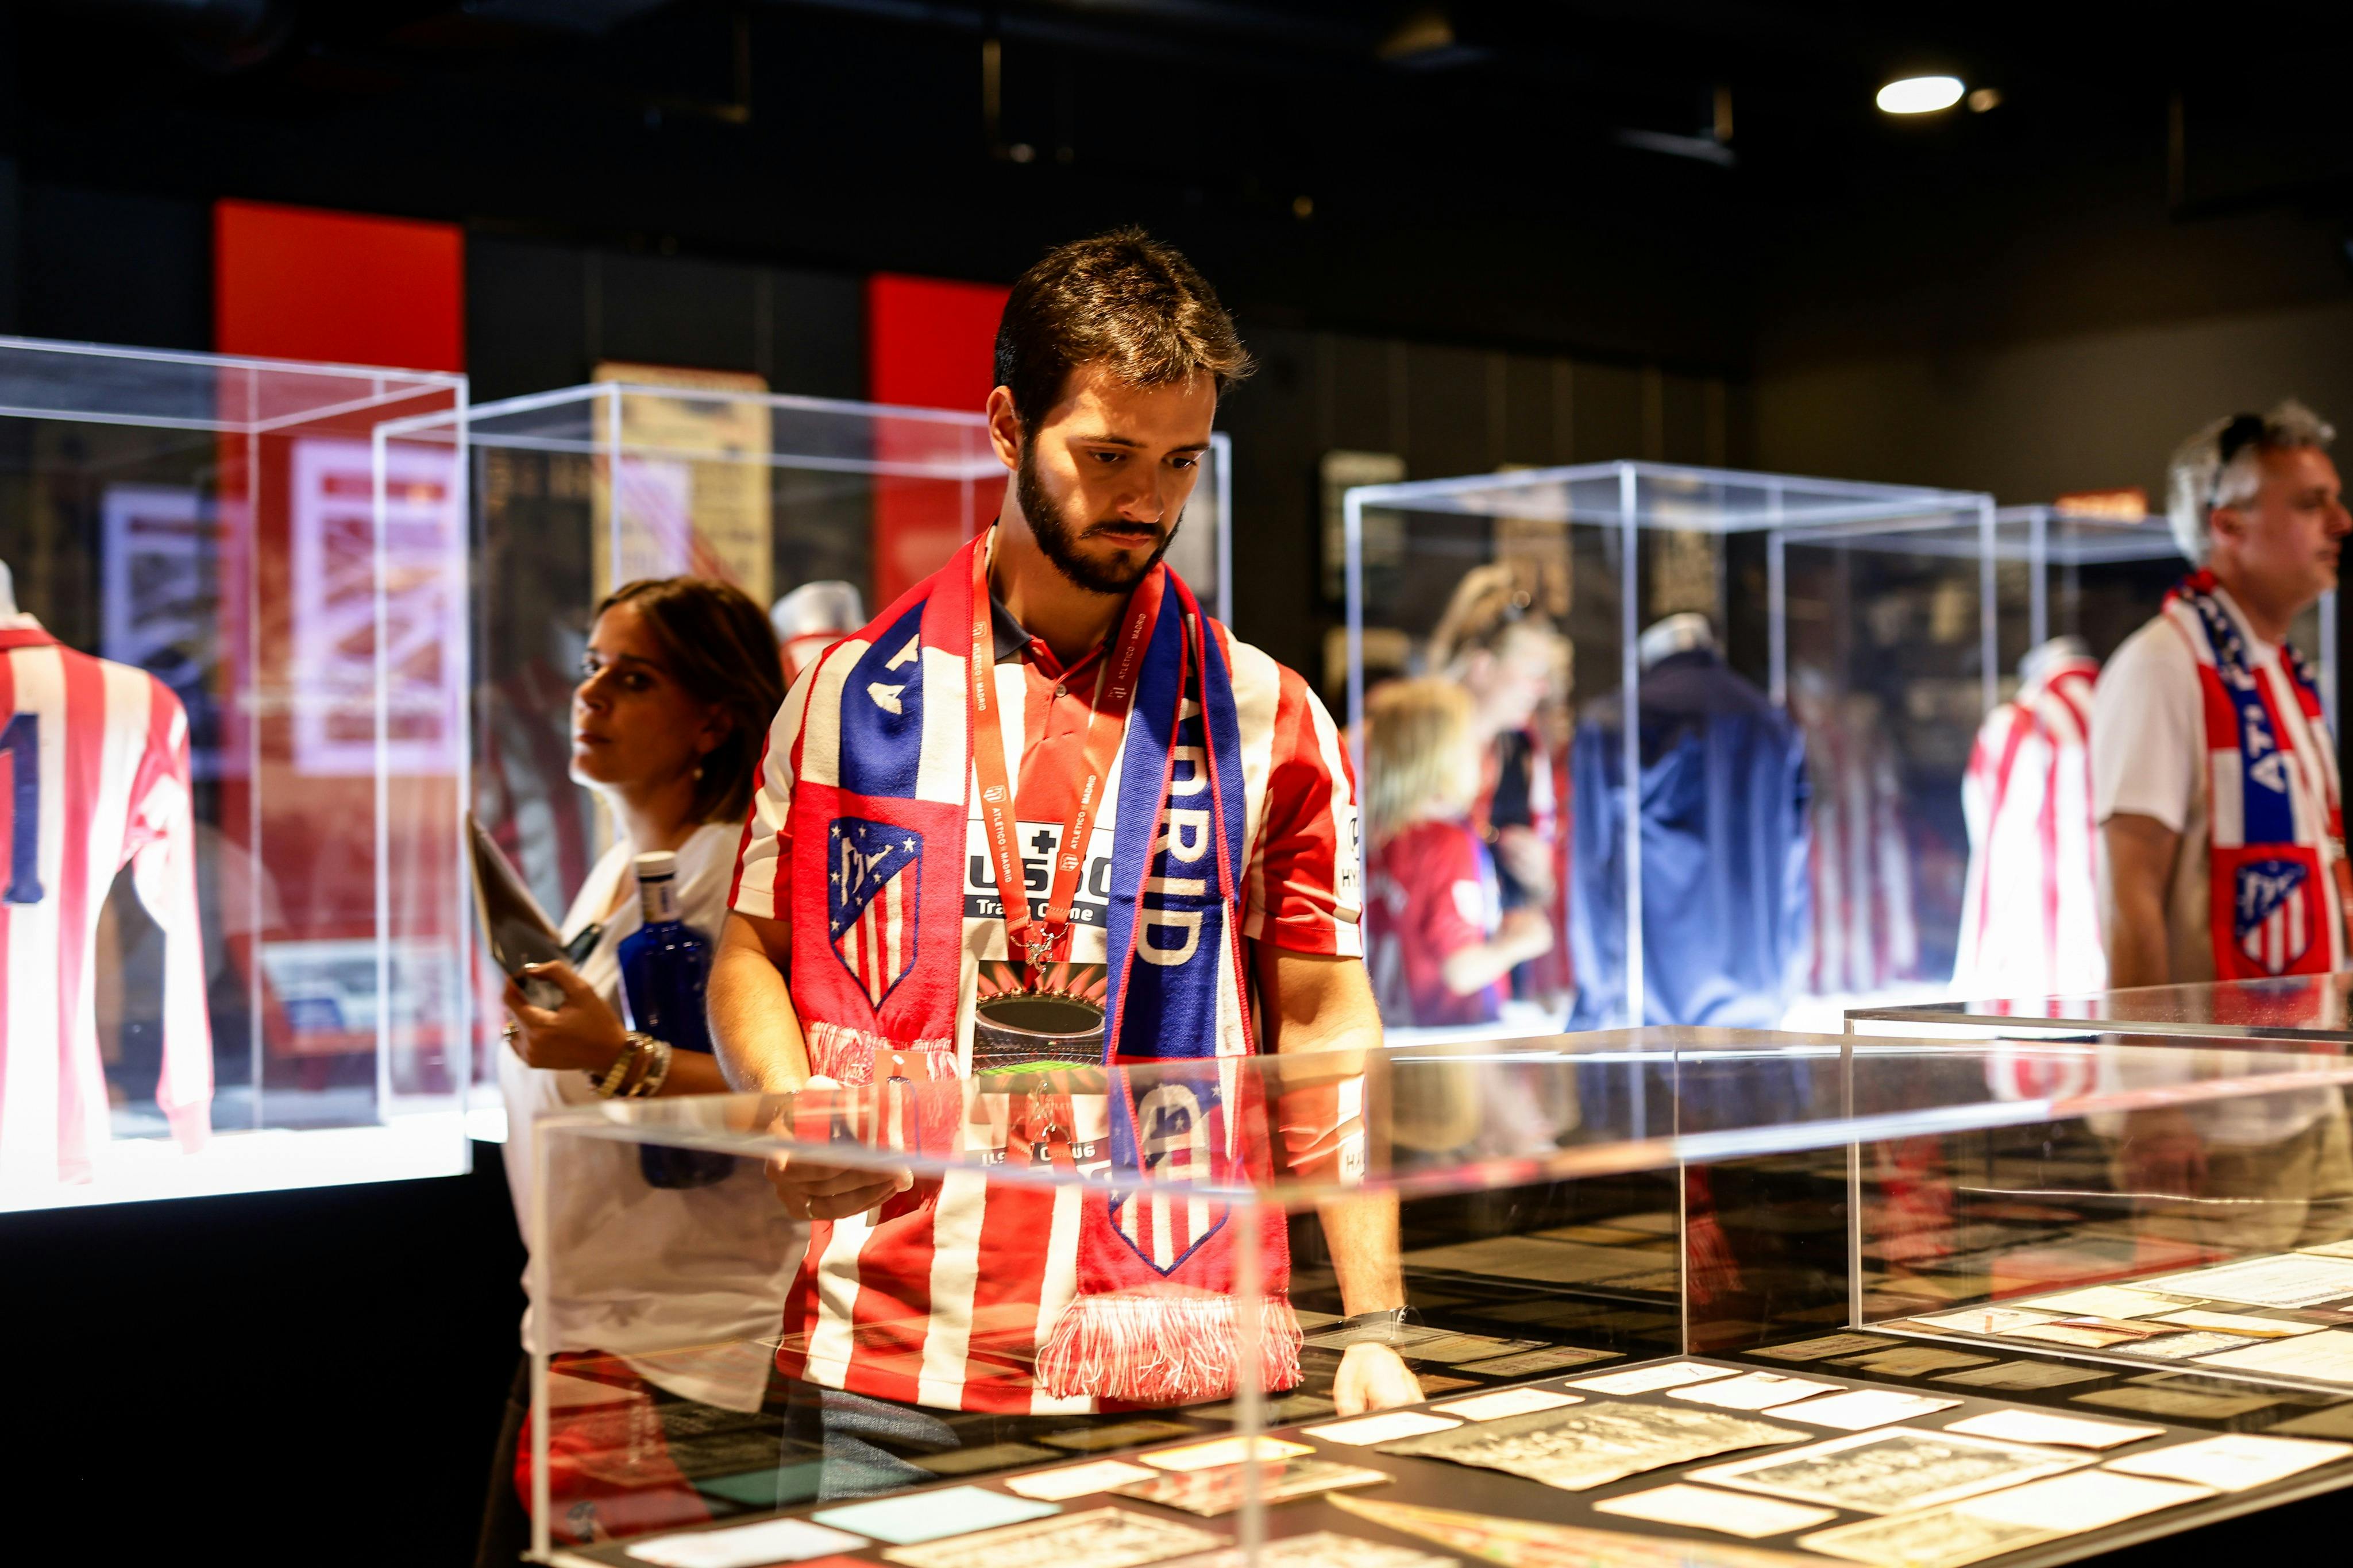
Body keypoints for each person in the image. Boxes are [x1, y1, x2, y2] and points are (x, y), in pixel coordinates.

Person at [712, 230, 1421, 1487]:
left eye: (1178, 463)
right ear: (1002, 426)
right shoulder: (841, 697)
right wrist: (785, 1103)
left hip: (1174, 1348)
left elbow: (1322, 1018)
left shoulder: (1272, 715)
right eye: (1105, 456)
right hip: (894, 1346)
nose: (1145, 499)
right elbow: (752, 955)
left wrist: (1371, 1321)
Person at [477, 578, 802, 1561]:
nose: (592, 695)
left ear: (715, 721)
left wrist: (617, 1057)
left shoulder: (721, 879)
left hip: (683, 1349)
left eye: (633, 677)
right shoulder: (624, 867)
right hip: (587, 1322)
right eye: (590, 669)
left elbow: (784, 1103)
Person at [2092, 401, 2353, 1251]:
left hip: (2310, 1096)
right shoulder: (2163, 668)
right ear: (2227, 523)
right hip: (2212, 1123)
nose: (2341, 522)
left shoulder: (2282, 672)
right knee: (2213, 1378)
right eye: (2311, 502)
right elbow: (2128, 900)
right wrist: (2154, 1103)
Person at [1363, 677, 1552, 1028]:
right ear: (1442, 755)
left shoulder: (1378, 835)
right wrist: (1523, 940)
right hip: (1450, 1045)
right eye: (1470, 741)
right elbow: (1462, 970)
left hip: (1397, 1033)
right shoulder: (1445, 841)